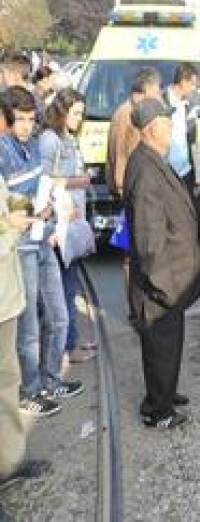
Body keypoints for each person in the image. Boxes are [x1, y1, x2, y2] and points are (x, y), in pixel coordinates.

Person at [124, 98, 200, 429]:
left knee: (169, 343)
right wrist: (163, 286)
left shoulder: (153, 158)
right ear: (150, 128)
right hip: (162, 281)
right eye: (166, 121)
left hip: (172, 278)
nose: (172, 126)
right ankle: (157, 411)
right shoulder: (144, 168)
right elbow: (148, 239)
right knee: (160, 345)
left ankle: (165, 393)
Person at [0, 87, 80, 417]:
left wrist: (51, 207)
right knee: (30, 326)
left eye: (31, 120)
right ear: (7, 119)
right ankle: (30, 390)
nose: (27, 126)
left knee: (59, 315)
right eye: (20, 120)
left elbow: (43, 184)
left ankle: (49, 379)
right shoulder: (2, 152)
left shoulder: (34, 145)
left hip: (43, 236)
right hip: (21, 246)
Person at [0, 172, 50, 488]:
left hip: (5, 299)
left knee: (7, 384)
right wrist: (11, 231)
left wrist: (17, 214)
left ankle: (9, 463)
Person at [39, 89, 96, 364]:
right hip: (59, 223)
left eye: (81, 113)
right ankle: (66, 347)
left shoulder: (67, 138)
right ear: (61, 111)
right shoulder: (51, 140)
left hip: (71, 221)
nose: (79, 118)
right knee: (64, 287)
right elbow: (45, 180)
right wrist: (79, 181)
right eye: (75, 113)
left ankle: (70, 341)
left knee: (70, 284)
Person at [106, 68, 162, 199]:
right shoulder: (126, 114)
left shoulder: (139, 110)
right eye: (157, 89)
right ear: (147, 88)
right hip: (130, 189)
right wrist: (123, 189)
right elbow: (120, 153)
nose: (159, 94)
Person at [165, 63, 200, 195]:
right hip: (166, 175)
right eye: (192, 84)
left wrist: (196, 177)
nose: (194, 88)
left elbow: (192, 142)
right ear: (183, 82)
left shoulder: (190, 106)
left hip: (186, 173)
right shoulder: (162, 102)